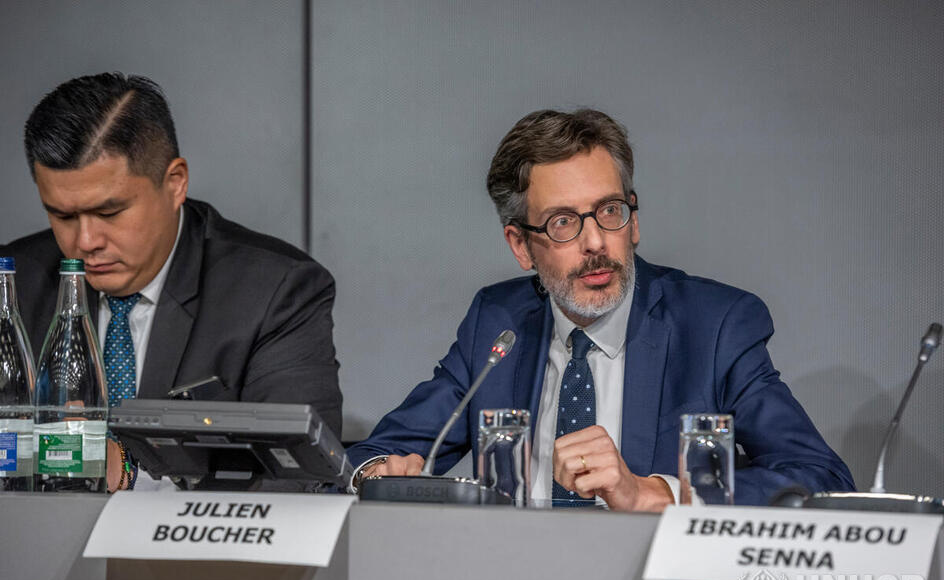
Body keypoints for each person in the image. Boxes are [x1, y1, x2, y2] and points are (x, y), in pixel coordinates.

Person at [346, 108, 854, 509]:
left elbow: (820, 479)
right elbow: (369, 456)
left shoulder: (713, 326)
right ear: (520, 245)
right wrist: (379, 475)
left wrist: (657, 494)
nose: (595, 242)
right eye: (564, 222)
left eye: (610, 212)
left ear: (633, 222)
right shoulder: (498, 324)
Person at [1, 73, 342, 491]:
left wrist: (127, 475)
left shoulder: (274, 291)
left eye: (109, 213)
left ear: (175, 183)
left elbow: (301, 480)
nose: (84, 243)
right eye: (62, 216)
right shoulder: (14, 283)